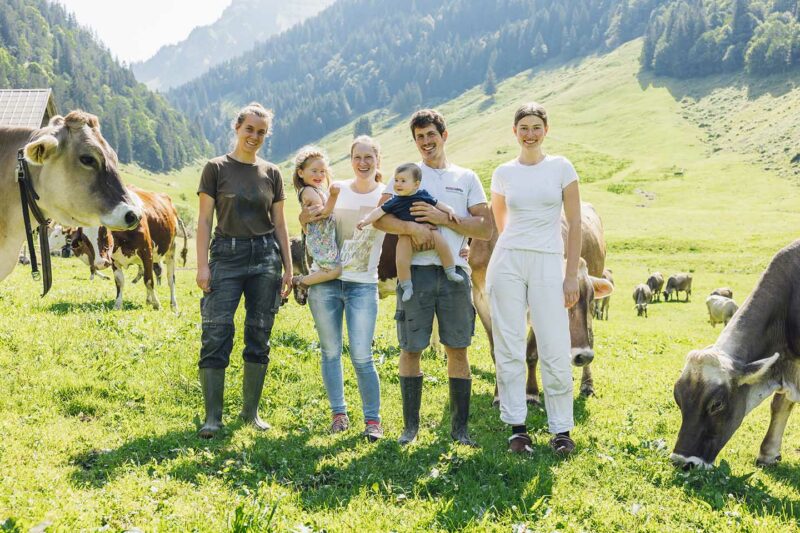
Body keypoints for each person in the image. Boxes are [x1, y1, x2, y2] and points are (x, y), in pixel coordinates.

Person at [373, 109, 492, 446]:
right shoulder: (407, 175)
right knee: (411, 348)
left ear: (444, 135)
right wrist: (410, 227)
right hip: (417, 274)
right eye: (419, 137)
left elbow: (485, 227)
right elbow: (381, 219)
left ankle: (459, 430)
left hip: (454, 274)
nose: (426, 142)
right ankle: (410, 428)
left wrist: (444, 218)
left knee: (458, 349)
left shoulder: (466, 178)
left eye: (431, 135)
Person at [486, 102, 582, 456]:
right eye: (523, 127)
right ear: (514, 132)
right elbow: (501, 222)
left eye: (535, 127)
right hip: (509, 262)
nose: (529, 133)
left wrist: (570, 274)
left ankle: (561, 431)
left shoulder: (561, 168)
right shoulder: (503, 172)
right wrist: (516, 249)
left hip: (548, 262)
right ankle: (517, 428)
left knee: (555, 346)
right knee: (509, 345)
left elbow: (574, 224)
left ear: (546, 129)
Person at [195, 102, 292, 439]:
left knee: (259, 332)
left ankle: (251, 414)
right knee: (216, 331)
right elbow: (205, 220)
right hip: (226, 255)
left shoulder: (272, 173)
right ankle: (213, 418)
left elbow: (280, 224)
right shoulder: (216, 168)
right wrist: (202, 265)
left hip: (266, 257)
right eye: (249, 129)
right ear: (237, 128)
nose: (254, 136)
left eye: (261, 132)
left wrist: (289, 270)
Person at [299, 135, 386, 441]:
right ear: (350, 161)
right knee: (331, 351)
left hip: (363, 285)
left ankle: (372, 420)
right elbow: (310, 221)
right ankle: (339, 414)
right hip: (326, 284)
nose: (362, 163)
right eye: (357, 157)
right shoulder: (338, 191)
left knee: (362, 355)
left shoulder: (386, 195)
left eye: (368, 158)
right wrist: (303, 216)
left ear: (377, 161)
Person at [356, 162, 462, 302]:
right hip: (405, 235)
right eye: (396, 180)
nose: (398, 184)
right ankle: (407, 286)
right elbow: (378, 211)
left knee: (443, 245)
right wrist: (365, 220)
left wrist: (450, 210)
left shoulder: (423, 195)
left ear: (416, 184)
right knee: (401, 259)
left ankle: (450, 271)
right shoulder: (394, 200)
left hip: (428, 228)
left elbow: (438, 204)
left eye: (403, 181)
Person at [291, 146, 342, 288]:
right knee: (334, 270)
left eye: (322, 172)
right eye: (314, 171)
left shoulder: (316, 190)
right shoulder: (308, 191)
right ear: (301, 173)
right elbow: (324, 212)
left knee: (329, 268)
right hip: (320, 240)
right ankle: (301, 281)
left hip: (323, 238)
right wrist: (334, 195)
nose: (319, 175)